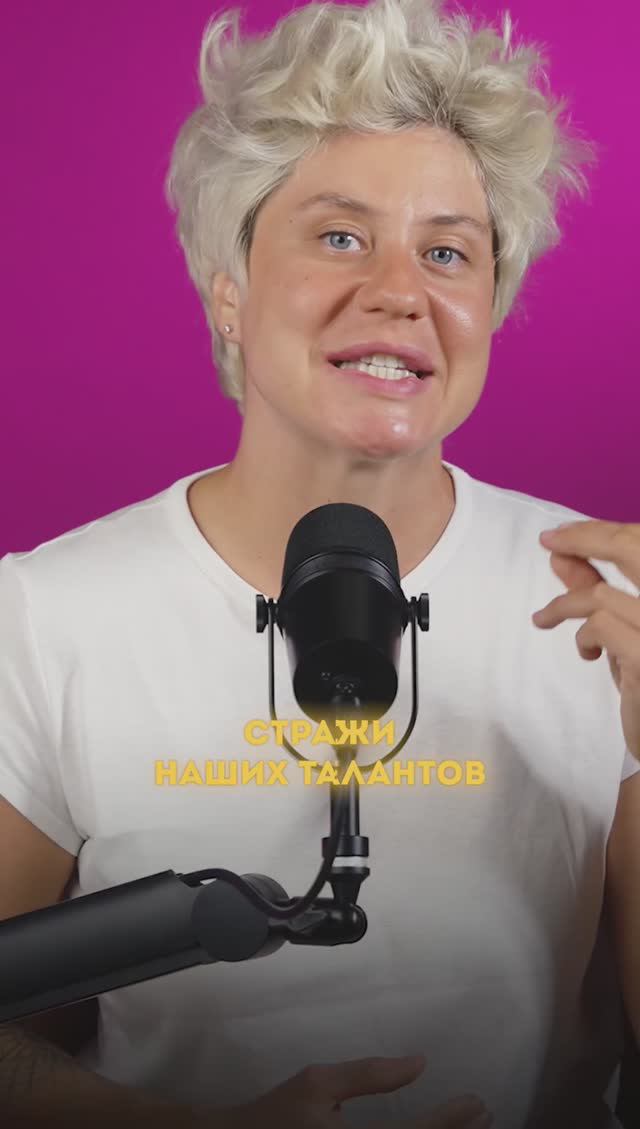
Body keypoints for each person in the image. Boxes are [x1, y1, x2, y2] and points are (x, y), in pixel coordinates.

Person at [1, 0, 639, 1126]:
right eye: (340, 235)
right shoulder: (46, 618)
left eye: (447, 251)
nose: (400, 289)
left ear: (489, 305)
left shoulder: (605, 608)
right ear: (230, 290)